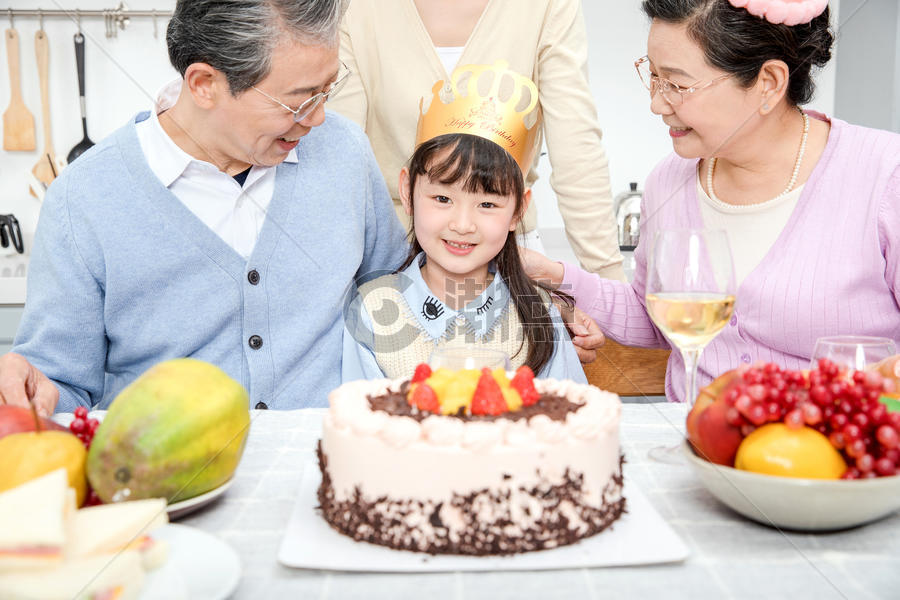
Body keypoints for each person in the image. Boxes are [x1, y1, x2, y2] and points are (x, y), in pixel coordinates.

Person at [0, 0, 410, 414]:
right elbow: (58, 386)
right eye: (299, 101)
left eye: (328, 90)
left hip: (335, 463)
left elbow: (397, 305)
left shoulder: (344, 152)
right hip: (165, 474)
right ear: (203, 84)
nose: (318, 118)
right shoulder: (82, 197)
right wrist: (34, 388)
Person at [523, 0, 900, 402]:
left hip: (833, 456)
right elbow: (656, 317)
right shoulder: (669, 180)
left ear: (769, 82)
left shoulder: (883, 175)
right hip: (697, 448)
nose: (657, 103)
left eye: (677, 84)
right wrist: (557, 277)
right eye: (652, 76)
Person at [327, 0, 626, 281]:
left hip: (511, 257)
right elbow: (339, 159)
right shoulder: (354, 8)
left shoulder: (545, 6)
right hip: (393, 257)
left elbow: (577, 150)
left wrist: (610, 285)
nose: (462, 225)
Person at [342, 64, 587, 383]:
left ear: (518, 211)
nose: (462, 224)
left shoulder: (539, 314)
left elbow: (563, 422)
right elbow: (361, 421)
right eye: (443, 199)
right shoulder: (372, 311)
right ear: (407, 190)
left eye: (487, 204)